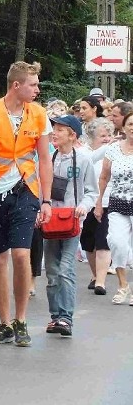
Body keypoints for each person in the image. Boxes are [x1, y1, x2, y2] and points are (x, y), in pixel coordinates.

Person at [0, 61, 53, 347]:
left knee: (21, 254)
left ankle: (21, 319)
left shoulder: (39, 115)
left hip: (25, 189)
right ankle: (4, 322)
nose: (37, 90)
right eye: (33, 84)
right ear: (16, 85)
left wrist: (46, 200)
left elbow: (44, 160)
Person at [44, 114, 98, 337]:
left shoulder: (83, 160)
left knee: (66, 268)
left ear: (72, 135)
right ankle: (55, 315)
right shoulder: (48, 158)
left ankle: (66, 317)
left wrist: (84, 206)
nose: (54, 133)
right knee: (52, 271)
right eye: (54, 128)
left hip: (72, 222)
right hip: (50, 220)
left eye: (60, 129)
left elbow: (91, 191)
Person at [96, 111, 133, 306]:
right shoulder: (113, 150)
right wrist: (99, 202)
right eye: (130, 124)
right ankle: (122, 285)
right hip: (118, 202)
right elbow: (104, 177)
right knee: (116, 241)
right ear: (124, 126)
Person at [80, 117, 114, 294]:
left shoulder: (115, 152)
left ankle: (101, 282)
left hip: (108, 201)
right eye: (103, 135)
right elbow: (88, 161)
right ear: (92, 136)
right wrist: (106, 148)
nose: (107, 138)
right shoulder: (83, 151)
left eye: (109, 134)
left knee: (103, 241)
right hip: (86, 203)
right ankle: (95, 275)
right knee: (88, 241)